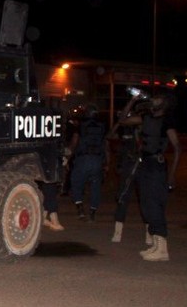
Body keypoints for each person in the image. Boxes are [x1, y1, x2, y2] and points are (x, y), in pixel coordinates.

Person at [117, 92, 181, 261]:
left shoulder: (167, 120)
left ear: (165, 102)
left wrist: (172, 175)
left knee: (154, 206)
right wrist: (132, 100)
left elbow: (177, 147)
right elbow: (122, 120)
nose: (154, 99)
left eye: (157, 97)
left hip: (156, 166)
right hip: (144, 164)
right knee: (146, 205)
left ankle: (163, 249)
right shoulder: (145, 118)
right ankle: (155, 245)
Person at [109, 96, 145, 243]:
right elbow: (110, 135)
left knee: (145, 199)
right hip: (127, 165)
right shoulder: (125, 127)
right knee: (123, 198)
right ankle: (118, 233)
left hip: (140, 164)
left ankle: (150, 234)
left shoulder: (144, 124)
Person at [68, 103, 109, 222]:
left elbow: (74, 142)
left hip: (83, 159)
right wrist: (107, 163)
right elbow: (106, 145)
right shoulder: (102, 126)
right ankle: (92, 212)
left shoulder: (81, 125)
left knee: (76, 182)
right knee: (95, 187)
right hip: (97, 160)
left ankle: (80, 209)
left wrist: (68, 156)